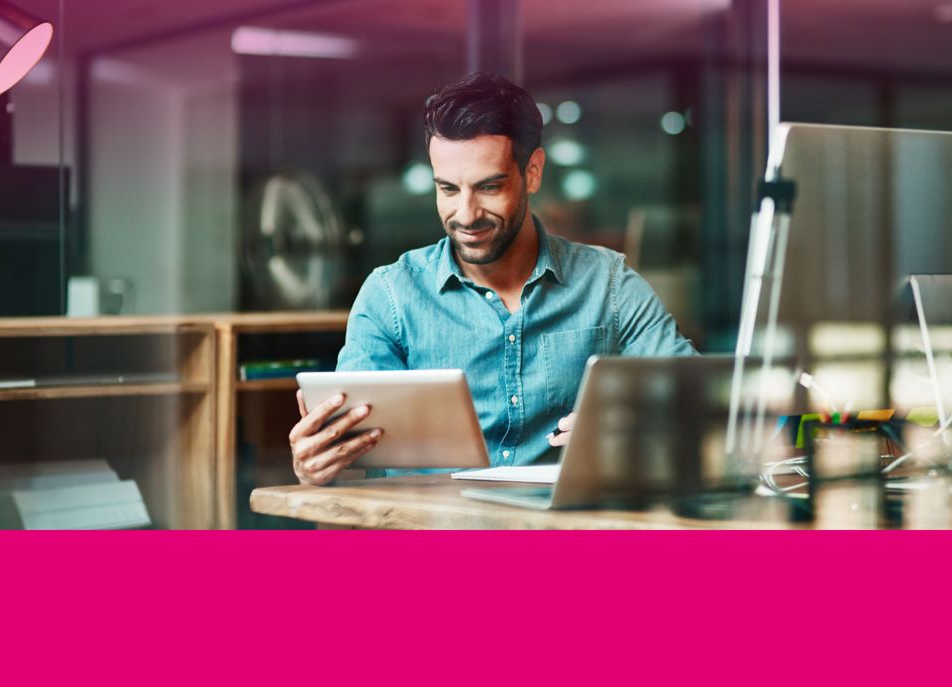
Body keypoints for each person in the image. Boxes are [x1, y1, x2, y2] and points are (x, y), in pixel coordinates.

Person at [290, 72, 697, 486]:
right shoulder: (391, 295)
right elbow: (344, 443)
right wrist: (314, 466)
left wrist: (638, 427)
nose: (465, 214)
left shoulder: (607, 284)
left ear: (533, 172)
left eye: (489, 187)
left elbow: (699, 401)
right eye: (448, 189)